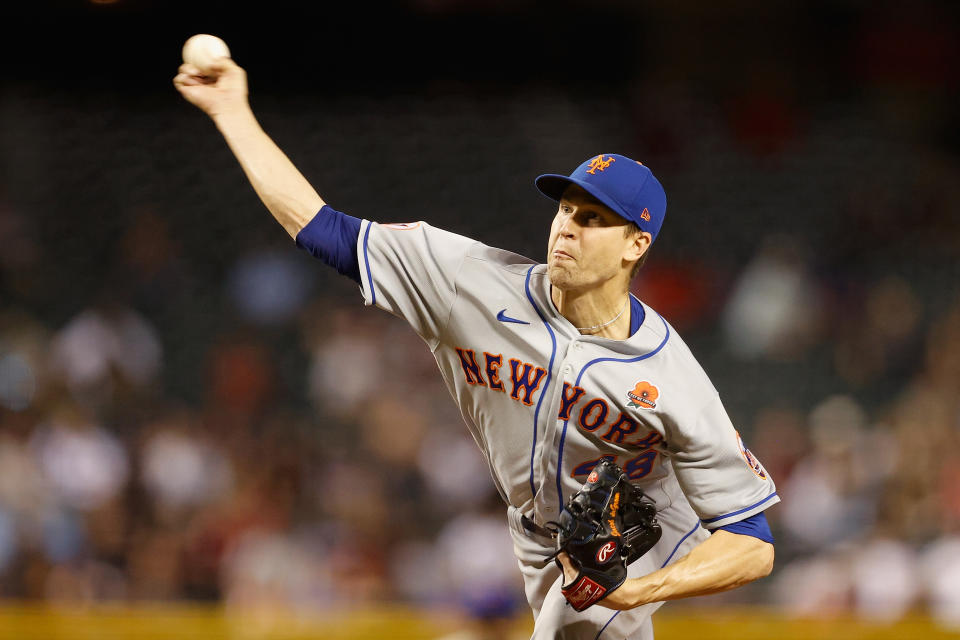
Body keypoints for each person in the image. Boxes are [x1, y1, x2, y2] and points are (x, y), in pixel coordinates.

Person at [174, 56, 779, 640]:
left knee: (584, 624)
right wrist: (231, 110)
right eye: (565, 208)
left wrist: (637, 589)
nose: (566, 225)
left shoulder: (672, 378)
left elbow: (753, 544)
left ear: (635, 244)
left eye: (593, 218)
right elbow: (317, 224)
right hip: (541, 539)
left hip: (639, 541)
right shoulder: (469, 281)